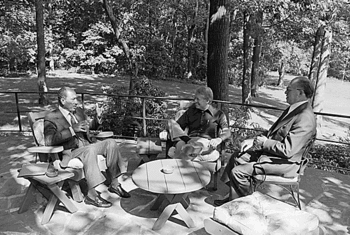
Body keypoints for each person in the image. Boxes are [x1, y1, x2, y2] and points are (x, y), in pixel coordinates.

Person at [214, 76, 316, 206]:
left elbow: (288, 150)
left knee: (238, 172)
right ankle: (235, 199)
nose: (285, 92)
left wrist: (264, 143)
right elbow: (271, 133)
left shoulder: (305, 117)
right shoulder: (295, 109)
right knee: (236, 157)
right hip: (274, 156)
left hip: (285, 163)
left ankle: (245, 207)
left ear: (300, 92)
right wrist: (253, 140)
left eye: (288, 89)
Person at [44, 87, 130, 208]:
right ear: (63, 100)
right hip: (70, 151)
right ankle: (92, 195)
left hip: (87, 144)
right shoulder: (51, 117)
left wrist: (97, 118)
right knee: (90, 150)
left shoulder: (78, 112)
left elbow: (88, 127)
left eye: (76, 99)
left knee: (111, 142)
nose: (76, 102)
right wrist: (71, 130)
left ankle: (114, 184)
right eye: (73, 99)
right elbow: (49, 141)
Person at [166, 86, 231, 161]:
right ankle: (190, 151)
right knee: (171, 122)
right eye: (195, 98)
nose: (195, 101)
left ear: (207, 101)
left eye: (198, 99)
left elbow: (227, 131)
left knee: (188, 146)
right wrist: (186, 139)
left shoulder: (218, 114)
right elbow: (177, 127)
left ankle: (186, 153)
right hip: (189, 139)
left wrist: (219, 139)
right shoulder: (190, 111)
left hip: (206, 142)